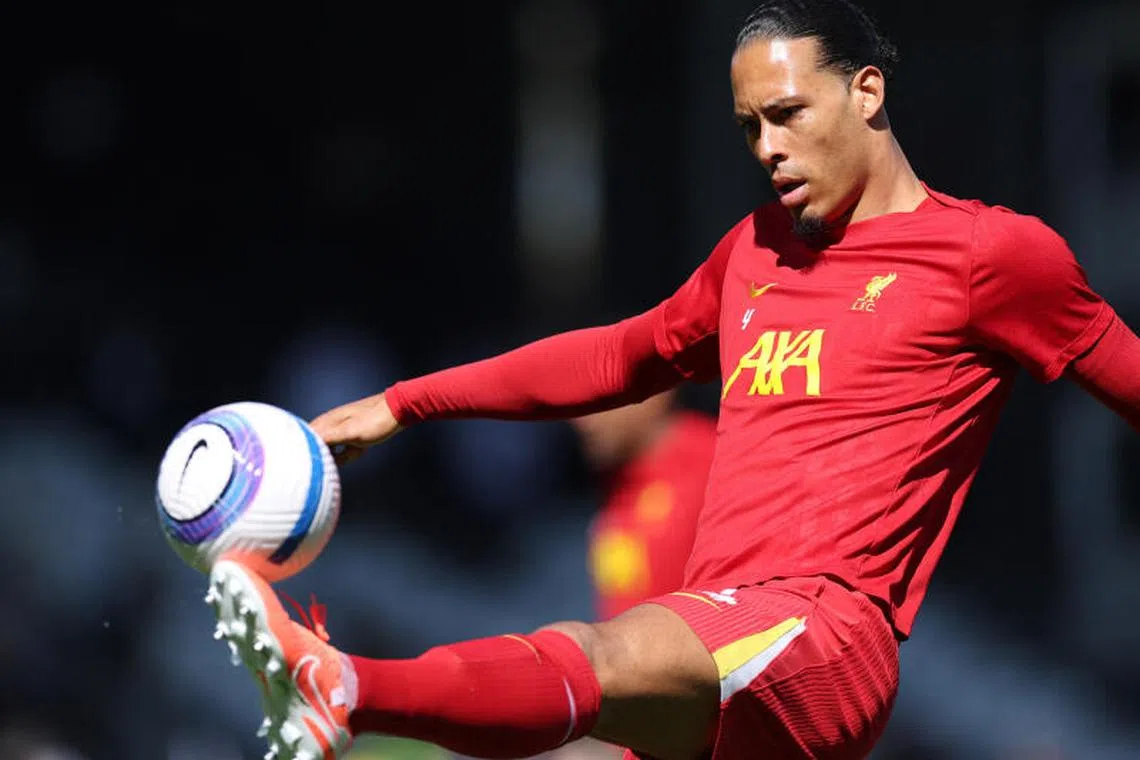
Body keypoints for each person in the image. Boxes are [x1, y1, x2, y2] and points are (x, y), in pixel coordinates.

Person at [204, 2, 1140, 759]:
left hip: (821, 635)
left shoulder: (992, 255)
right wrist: (407, 403)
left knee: (600, 653)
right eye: (747, 128)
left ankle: (348, 688)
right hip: (718, 655)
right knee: (599, 666)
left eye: (786, 115)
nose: (767, 148)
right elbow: (617, 357)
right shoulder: (755, 251)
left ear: (866, 90)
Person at [571, 391, 718, 622]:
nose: (582, 421)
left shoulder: (719, 465)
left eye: (600, 402)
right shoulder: (615, 481)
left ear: (656, 393)